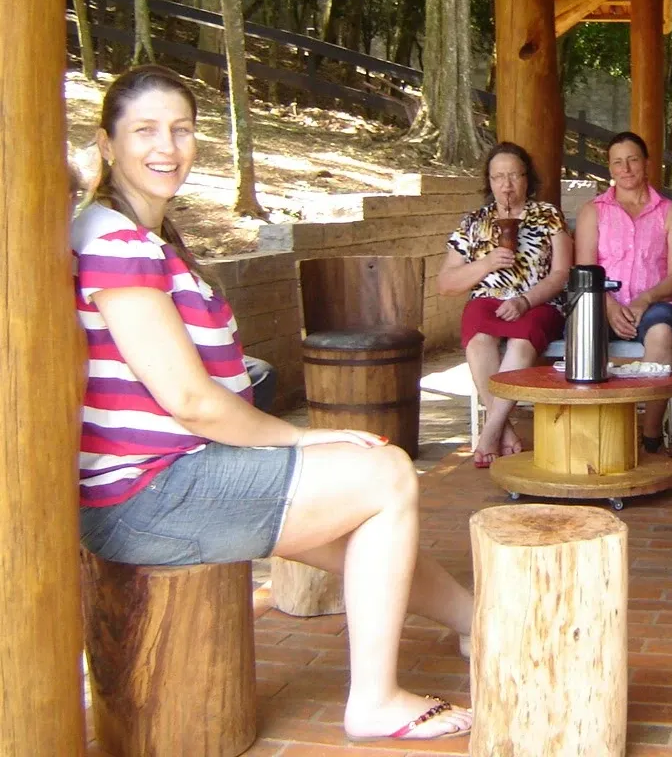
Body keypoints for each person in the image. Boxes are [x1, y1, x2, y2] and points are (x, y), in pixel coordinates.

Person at [73, 65, 472, 742]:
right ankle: (374, 700)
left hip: (180, 472)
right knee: (387, 474)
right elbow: (191, 401)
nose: (166, 146)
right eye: (144, 131)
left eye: (181, 129)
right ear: (109, 147)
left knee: (359, 514)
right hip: (151, 492)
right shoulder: (114, 242)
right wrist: (298, 439)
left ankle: (474, 620)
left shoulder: (146, 238)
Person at [439, 141, 571, 467]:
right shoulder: (474, 221)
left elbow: (561, 274)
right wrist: (485, 264)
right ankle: (505, 429)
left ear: (528, 179)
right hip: (489, 299)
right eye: (498, 177)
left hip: (538, 301)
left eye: (514, 175)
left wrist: (525, 300)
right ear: (489, 180)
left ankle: (490, 431)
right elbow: (446, 284)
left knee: (522, 335)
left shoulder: (548, 216)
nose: (507, 185)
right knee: (477, 329)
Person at [574, 131, 672, 452]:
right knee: (581, 330)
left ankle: (651, 434)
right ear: (609, 169)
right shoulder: (593, 212)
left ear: (647, 164)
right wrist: (609, 306)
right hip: (601, 301)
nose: (625, 169)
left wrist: (645, 299)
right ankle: (593, 429)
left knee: (663, 333)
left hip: (655, 303)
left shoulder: (671, 213)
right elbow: (585, 272)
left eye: (633, 160)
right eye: (617, 162)